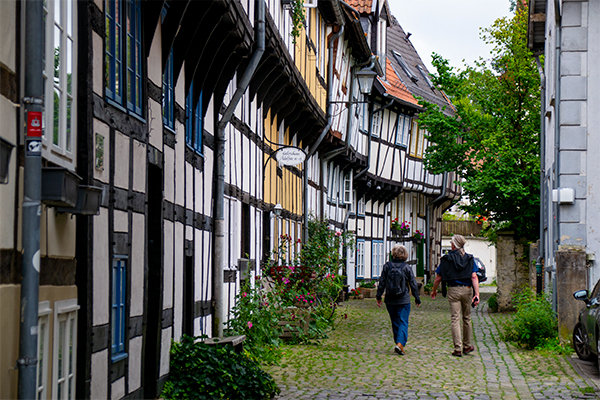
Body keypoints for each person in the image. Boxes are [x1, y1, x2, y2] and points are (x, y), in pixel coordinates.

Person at [431, 234, 480, 357]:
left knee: (455, 319)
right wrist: (477, 294)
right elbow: (474, 276)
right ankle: (467, 346)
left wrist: (434, 290)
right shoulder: (469, 259)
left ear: (453, 245)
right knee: (467, 318)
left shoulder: (446, 259)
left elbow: (438, 278)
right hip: (467, 290)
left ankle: (457, 348)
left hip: (453, 290)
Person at [376, 244, 421, 355]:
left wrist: (378, 296)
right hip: (403, 299)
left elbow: (382, 282)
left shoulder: (387, 266)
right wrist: (417, 297)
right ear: (405, 255)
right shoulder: (406, 268)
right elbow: (413, 284)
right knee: (403, 321)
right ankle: (400, 343)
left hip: (390, 299)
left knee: (395, 322)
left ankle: (398, 343)